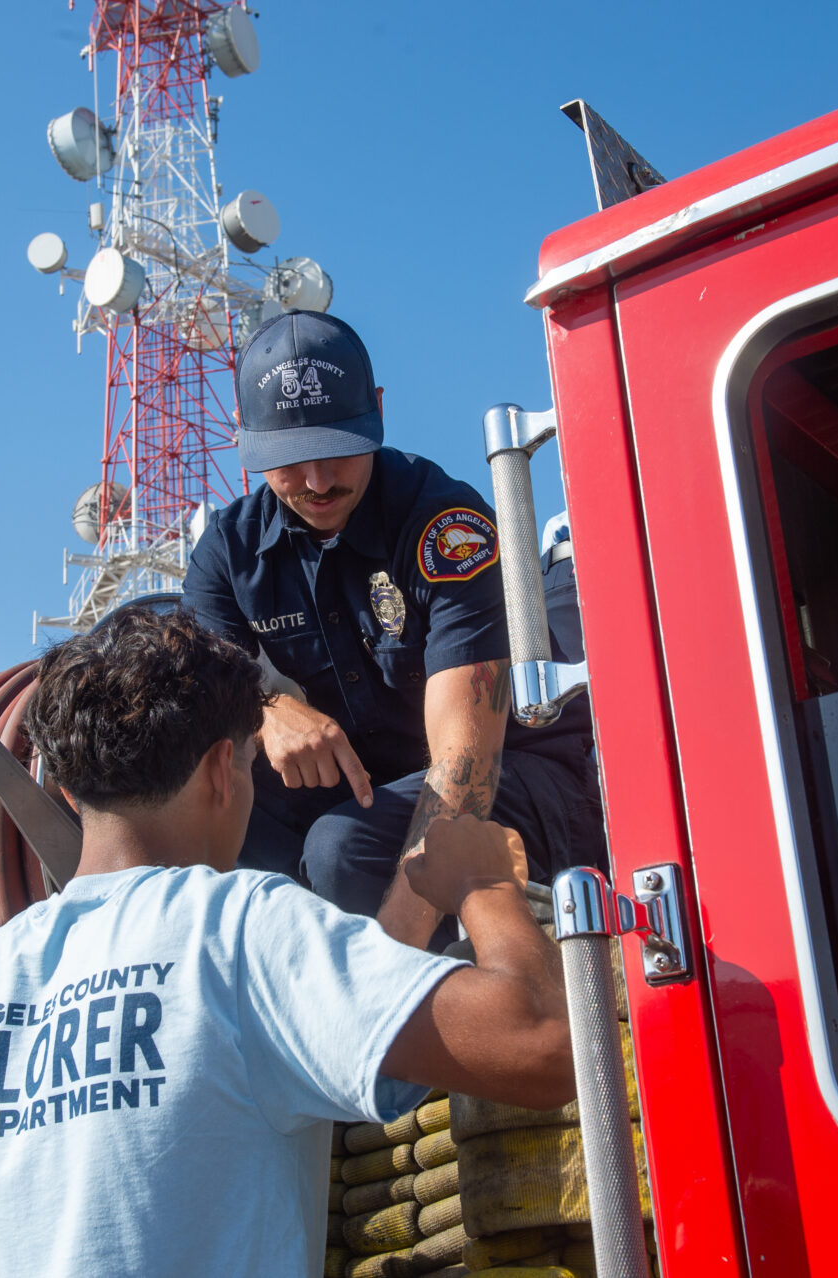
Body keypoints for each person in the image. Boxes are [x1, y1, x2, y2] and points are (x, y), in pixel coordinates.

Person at [0, 607, 571, 1277]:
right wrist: (484, 884)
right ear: (222, 770)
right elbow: (543, 1047)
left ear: (67, 788)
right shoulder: (235, 930)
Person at [182, 311, 603, 948]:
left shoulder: (445, 525)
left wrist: (385, 975)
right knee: (210, 809)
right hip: (372, 789)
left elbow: (467, 759)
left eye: (336, 447)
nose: (318, 482)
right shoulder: (226, 554)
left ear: (376, 411)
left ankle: (436, 1024)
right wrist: (266, 709)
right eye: (292, 460)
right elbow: (203, 701)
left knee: (340, 849)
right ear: (247, 442)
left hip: (515, 770)